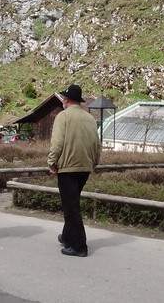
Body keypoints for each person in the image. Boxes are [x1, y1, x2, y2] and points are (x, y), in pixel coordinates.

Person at [48, 84, 101, 258]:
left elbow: (57, 143)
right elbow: (97, 144)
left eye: (64, 98)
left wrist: (51, 162)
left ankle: (79, 246)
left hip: (67, 167)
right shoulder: (90, 118)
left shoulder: (63, 116)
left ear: (66, 99)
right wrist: (94, 162)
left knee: (71, 208)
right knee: (72, 202)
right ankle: (67, 236)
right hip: (85, 166)